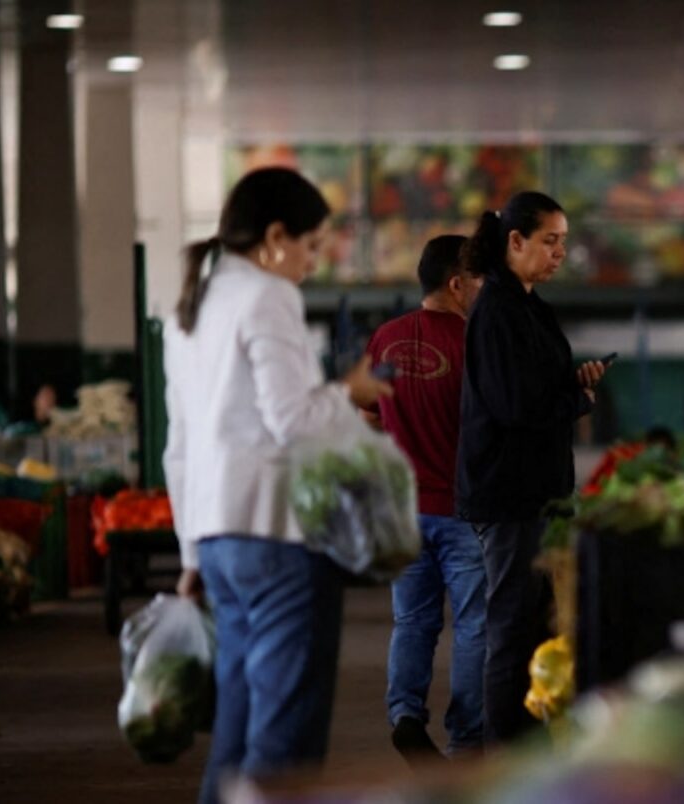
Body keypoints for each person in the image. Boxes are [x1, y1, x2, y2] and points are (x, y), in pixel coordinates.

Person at [162, 167, 392, 804]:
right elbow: (293, 420)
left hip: (218, 538)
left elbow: (177, 446)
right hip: (278, 535)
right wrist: (351, 392)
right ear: (273, 237)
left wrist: (189, 553)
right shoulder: (267, 297)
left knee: (236, 726)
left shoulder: (189, 307)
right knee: (284, 735)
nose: (312, 264)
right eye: (311, 247)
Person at [454, 191, 605, 744]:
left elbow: (534, 388)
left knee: (533, 623)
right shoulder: (497, 311)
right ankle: (504, 752)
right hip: (511, 495)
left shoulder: (527, 304)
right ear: (514, 242)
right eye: (550, 240)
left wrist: (574, 382)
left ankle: (528, 742)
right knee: (512, 628)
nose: (560, 252)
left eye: (563, 241)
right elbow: (516, 407)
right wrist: (577, 403)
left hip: (536, 490)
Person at [363, 235, 486, 762]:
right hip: (462, 511)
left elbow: (369, 415)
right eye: (478, 279)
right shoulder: (475, 342)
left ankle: (406, 714)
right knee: (474, 626)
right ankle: (465, 738)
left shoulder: (384, 339)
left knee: (412, 623)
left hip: (401, 510)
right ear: (456, 283)